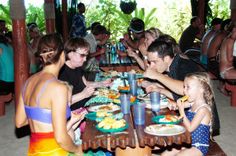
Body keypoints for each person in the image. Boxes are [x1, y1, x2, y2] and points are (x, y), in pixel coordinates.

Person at [15, 33, 85, 155]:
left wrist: (50, 118)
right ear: (62, 55)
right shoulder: (58, 88)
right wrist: (77, 149)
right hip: (55, 151)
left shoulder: (28, 82)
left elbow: (20, 122)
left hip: (34, 151)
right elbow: (61, 138)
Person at [162, 72, 213, 156]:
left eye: (188, 87)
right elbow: (178, 106)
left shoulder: (203, 109)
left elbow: (190, 128)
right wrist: (173, 105)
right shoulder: (191, 103)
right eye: (184, 87)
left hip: (198, 146)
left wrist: (181, 111)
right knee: (165, 154)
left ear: (201, 89)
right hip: (187, 142)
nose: (184, 90)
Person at [59, 37, 112, 111]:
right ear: (70, 53)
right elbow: (60, 103)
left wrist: (101, 83)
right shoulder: (61, 73)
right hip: (72, 115)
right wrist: (83, 95)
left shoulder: (77, 67)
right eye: (82, 55)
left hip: (85, 108)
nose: (85, 59)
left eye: (86, 56)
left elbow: (85, 83)